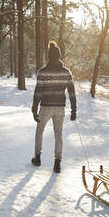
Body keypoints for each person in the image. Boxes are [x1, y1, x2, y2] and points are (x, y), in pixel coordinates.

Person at [31, 41, 77, 173]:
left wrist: (34, 109)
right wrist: (74, 110)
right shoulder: (66, 72)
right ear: (59, 56)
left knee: (39, 131)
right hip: (60, 108)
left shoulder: (42, 72)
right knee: (58, 134)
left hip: (45, 107)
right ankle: (57, 163)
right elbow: (71, 92)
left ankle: (37, 157)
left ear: (48, 57)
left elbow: (38, 92)